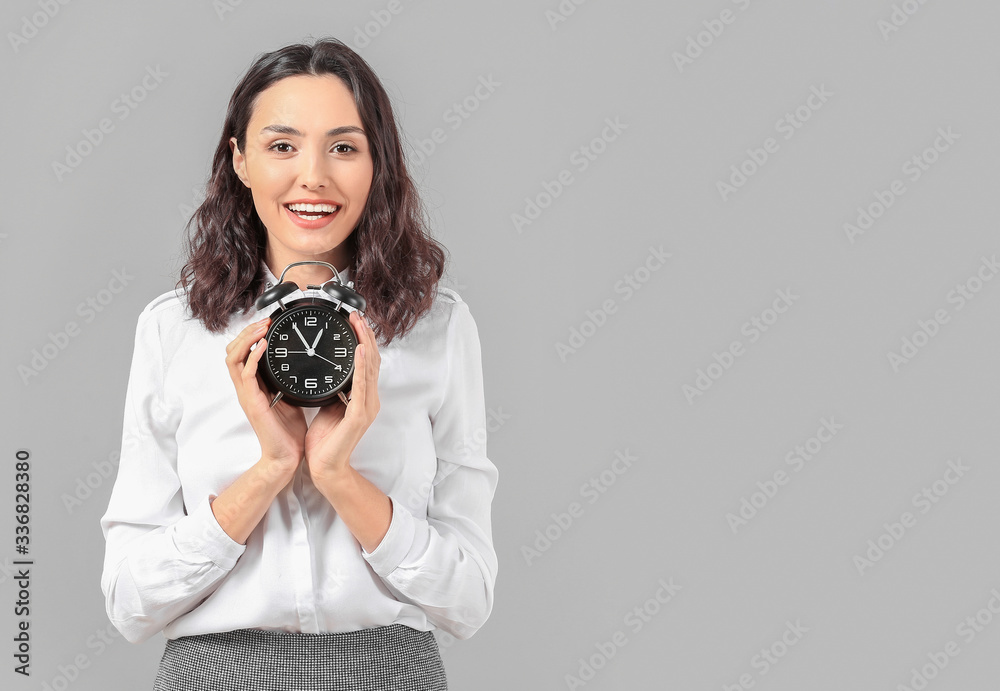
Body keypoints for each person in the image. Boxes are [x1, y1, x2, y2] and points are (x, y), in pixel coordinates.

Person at [99, 37, 498, 690]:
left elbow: (469, 598)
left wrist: (339, 476)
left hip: (391, 675)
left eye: (344, 146)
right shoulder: (175, 330)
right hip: (213, 677)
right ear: (241, 161)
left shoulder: (437, 328)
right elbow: (130, 602)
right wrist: (272, 469)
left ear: (378, 165)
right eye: (282, 145)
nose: (313, 175)